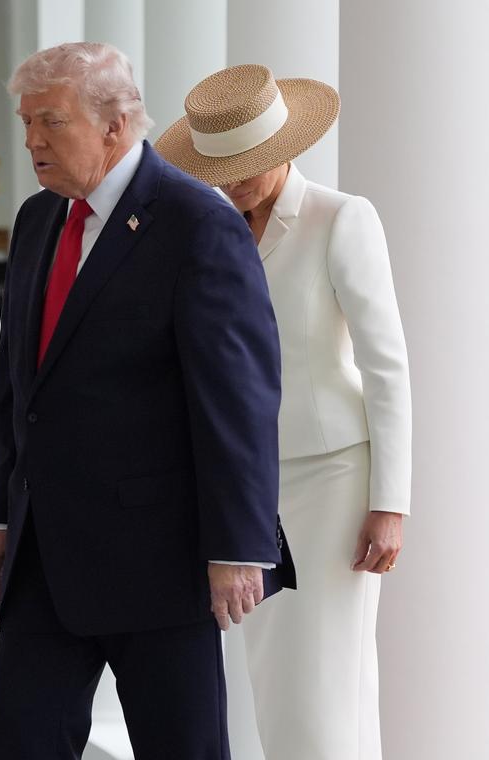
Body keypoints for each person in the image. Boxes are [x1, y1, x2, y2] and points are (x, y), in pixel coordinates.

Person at [0, 43, 294, 760]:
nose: (31, 139)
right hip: (44, 559)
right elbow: (20, 390)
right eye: (26, 121)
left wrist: (238, 545)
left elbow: (238, 398)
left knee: (181, 747)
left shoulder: (196, 223)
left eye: (50, 122)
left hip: (162, 559)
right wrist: (4, 514)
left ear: (116, 124)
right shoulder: (36, 221)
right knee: (19, 743)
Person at [155, 64, 411, 760]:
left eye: (252, 164)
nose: (236, 179)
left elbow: (386, 365)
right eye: (223, 168)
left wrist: (390, 502)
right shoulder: (207, 234)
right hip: (242, 491)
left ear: (284, 149)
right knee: (271, 683)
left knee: (324, 681)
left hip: (332, 482)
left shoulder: (340, 217)